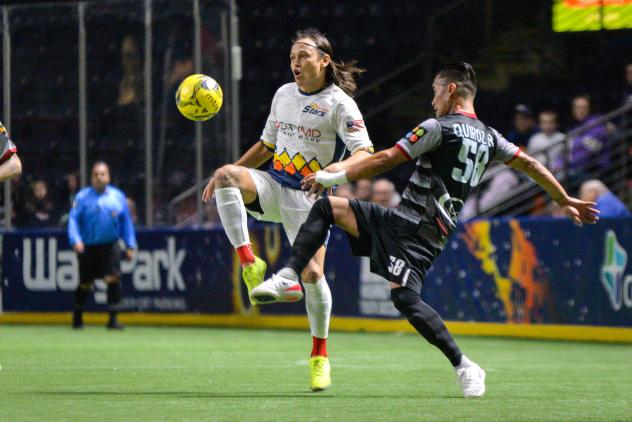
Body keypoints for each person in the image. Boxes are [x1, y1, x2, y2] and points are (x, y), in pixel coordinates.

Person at [252, 62, 599, 398]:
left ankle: (466, 365)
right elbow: (531, 163)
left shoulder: (438, 127)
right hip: (414, 224)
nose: (433, 99)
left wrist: (336, 175)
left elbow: (387, 158)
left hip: (417, 230)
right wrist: (563, 197)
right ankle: (289, 274)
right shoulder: (491, 137)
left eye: (435, 91)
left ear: (451, 90)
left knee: (403, 297)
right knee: (329, 207)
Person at [201, 28, 374, 391]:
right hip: (275, 185)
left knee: (313, 276)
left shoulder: (340, 103)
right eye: (292, 57)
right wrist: (228, 172)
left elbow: (364, 153)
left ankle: (319, 356)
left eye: (303, 56)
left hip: (311, 200)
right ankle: (251, 263)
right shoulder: (283, 94)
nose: (295, 63)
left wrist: (332, 171)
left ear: (324, 61)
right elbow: (266, 146)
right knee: (226, 176)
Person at [68, 162, 137, 330]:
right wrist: (75, 239)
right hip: (88, 246)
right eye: (96, 174)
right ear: (91, 177)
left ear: (108, 176)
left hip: (110, 245)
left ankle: (113, 319)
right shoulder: (82, 197)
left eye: (102, 174)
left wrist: (129, 245)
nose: (99, 177)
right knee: (85, 283)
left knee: (113, 278)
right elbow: (73, 220)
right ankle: (77, 315)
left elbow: (126, 222)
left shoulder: (118, 197)